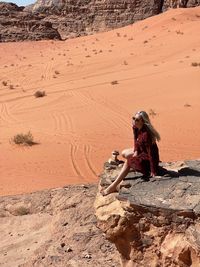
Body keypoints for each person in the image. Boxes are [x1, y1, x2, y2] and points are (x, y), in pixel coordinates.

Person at [101, 110, 160, 196]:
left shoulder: (146, 134)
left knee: (128, 161)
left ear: (143, 121)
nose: (134, 121)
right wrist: (136, 150)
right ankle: (127, 169)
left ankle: (112, 187)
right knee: (124, 153)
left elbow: (152, 153)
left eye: (137, 120)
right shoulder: (136, 128)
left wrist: (153, 170)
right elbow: (135, 140)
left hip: (147, 158)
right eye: (133, 118)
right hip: (141, 151)